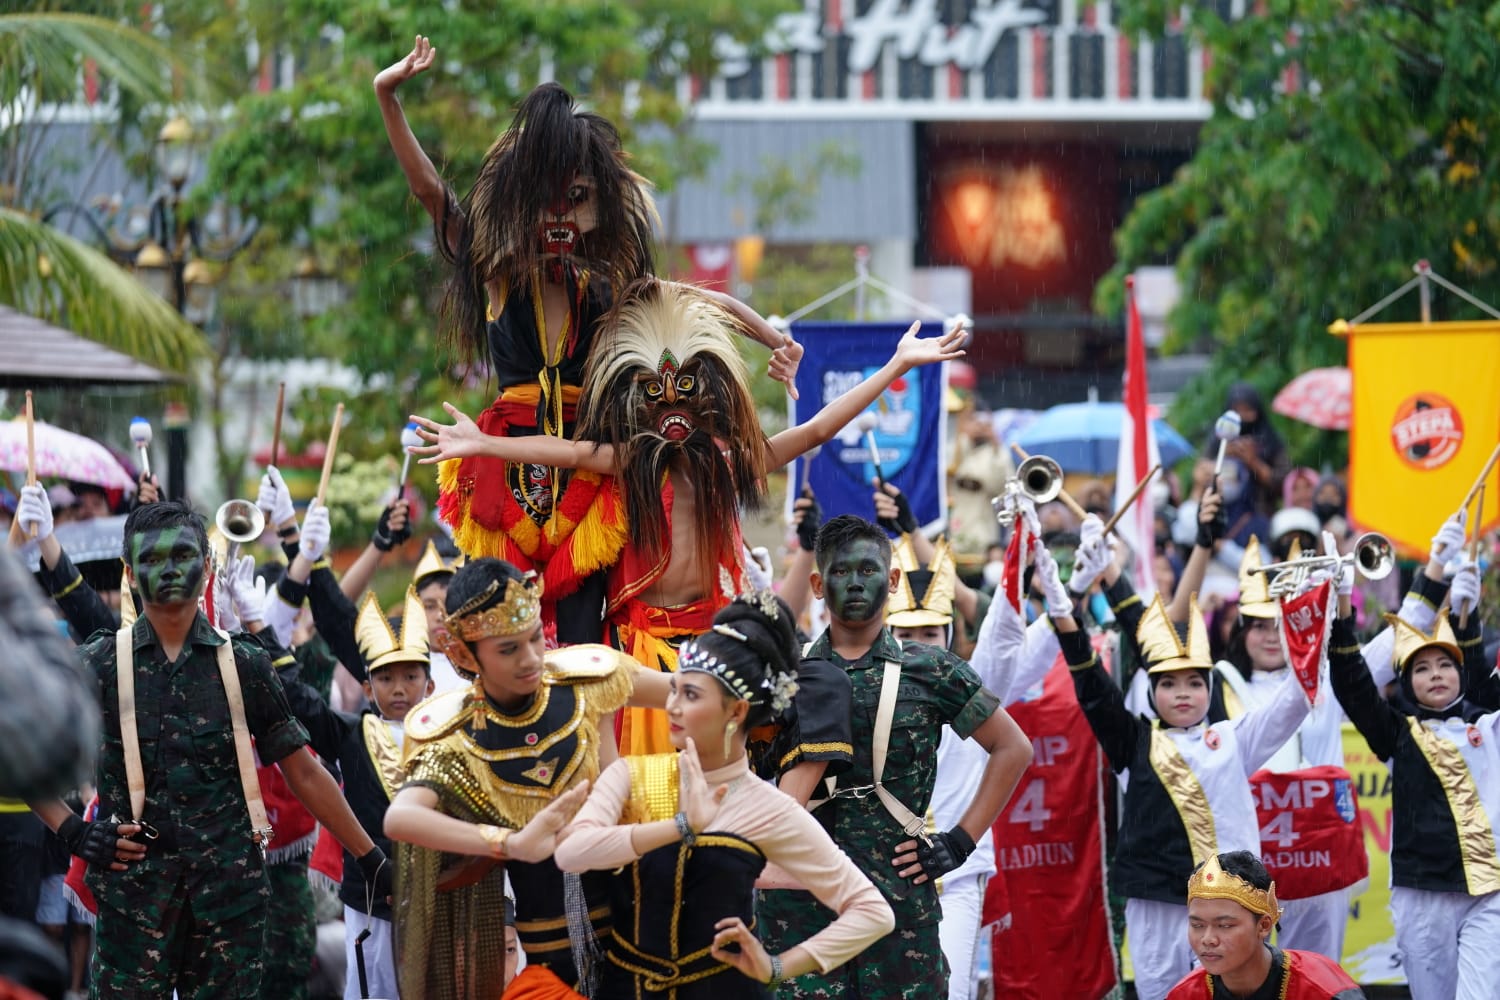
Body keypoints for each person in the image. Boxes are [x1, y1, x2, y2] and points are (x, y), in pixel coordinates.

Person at [412, 284, 967, 753]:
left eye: (684, 393)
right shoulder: (630, 462)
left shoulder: (727, 463)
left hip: (713, 645)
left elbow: (817, 429)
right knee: (637, 789)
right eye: (655, 396)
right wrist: (485, 444)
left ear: (708, 400)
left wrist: (896, 365)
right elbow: (569, 452)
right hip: (638, 650)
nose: (671, 409)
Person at [375, 37, 799, 644]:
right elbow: (430, 193)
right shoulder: (497, 272)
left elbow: (703, 302)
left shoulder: (611, 290)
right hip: (506, 460)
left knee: (579, 636)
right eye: (545, 202)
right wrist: (387, 96)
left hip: (589, 464)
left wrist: (775, 339)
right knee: (498, 622)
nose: (560, 218)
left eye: (576, 200)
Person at [25, 500, 391, 999]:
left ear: (207, 568)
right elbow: (23, 752)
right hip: (135, 908)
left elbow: (304, 772)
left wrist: (370, 857)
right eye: (152, 559)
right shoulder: (100, 665)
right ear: (130, 573)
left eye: (183, 555)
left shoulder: (245, 664)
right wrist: (74, 831)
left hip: (229, 908)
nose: (169, 570)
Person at [554, 592, 896, 996]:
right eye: (673, 689)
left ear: (736, 712)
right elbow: (570, 853)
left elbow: (873, 912)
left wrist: (777, 966)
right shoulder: (634, 775)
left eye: (691, 695)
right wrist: (680, 826)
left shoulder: (769, 809)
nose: (672, 706)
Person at [758, 515, 1033, 998]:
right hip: (799, 909)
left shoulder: (931, 669)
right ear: (818, 585)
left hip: (899, 908)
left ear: (892, 580)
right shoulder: (784, 676)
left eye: (868, 570)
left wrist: (960, 842)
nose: (855, 583)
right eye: (841, 572)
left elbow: (1013, 748)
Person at [382, 557, 670, 999]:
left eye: (534, 637)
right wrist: (509, 843)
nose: (531, 658)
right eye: (508, 649)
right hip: (547, 959)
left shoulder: (585, 680)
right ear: (463, 653)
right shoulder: (458, 736)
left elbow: (688, 693)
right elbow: (401, 818)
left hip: (639, 927)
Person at [1050, 579, 1312, 1000]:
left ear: (1209, 688)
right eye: (1169, 684)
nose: (1183, 693)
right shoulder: (1133, 742)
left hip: (1231, 903)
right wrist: (1065, 619)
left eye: (1194, 682)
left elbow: (1292, 704)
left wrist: (1316, 623)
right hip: (1157, 903)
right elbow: (1095, 690)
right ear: (1152, 692)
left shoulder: (1233, 739)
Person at [1326, 547, 1498, 1000]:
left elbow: (1487, 689)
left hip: (1490, 893)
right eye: (1421, 668)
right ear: (1406, 683)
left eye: (1445, 664)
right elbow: (1352, 687)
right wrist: (1342, 611)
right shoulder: (1398, 734)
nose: (1436, 674)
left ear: (1460, 673)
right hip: (1421, 896)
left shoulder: (1490, 726)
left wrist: (1469, 625)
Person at [279, 587, 436, 1000]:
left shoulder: (449, 735)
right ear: (367, 688)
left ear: (430, 684)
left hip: (439, 890)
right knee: (374, 987)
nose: (399, 688)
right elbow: (300, 701)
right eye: (385, 678)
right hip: (370, 897)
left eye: (410, 677)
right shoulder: (351, 734)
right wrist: (268, 631)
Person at [1166, 851, 1364, 999]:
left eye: (1224, 925)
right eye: (1197, 925)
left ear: (1264, 925)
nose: (1208, 939)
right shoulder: (1185, 994)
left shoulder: (1323, 991)